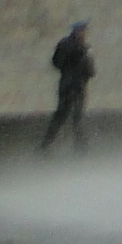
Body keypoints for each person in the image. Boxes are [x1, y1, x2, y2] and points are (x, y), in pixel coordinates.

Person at [40, 21, 94, 151]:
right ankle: (81, 147)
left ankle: (46, 144)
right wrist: (84, 71)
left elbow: (55, 62)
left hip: (66, 84)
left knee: (61, 115)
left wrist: (67, 70)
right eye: (84, 31)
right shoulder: (82, 48)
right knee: (77, 117)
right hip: (77, 85)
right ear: (79, 32)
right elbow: (90, 70)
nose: (86, 34)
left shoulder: (64, 44)